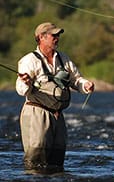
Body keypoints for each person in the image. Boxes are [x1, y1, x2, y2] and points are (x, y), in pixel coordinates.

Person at [16, 22, 94, 172]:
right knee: (36, 153)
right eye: (54, 35)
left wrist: (85, 85)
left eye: (58, 35)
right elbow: (21, 90)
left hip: (58, 115)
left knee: (57, 156)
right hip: (36, 112)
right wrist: (26, 82)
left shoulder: (63, 58)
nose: (57, 38)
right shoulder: (28, 60)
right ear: (41, 37)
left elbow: (76, 80)